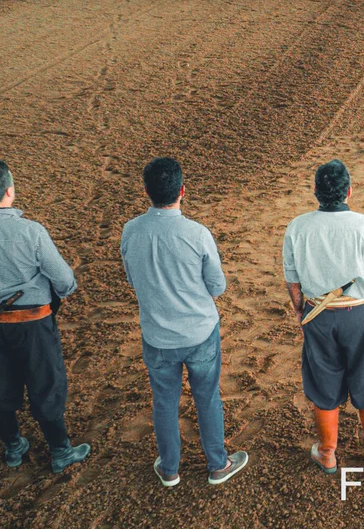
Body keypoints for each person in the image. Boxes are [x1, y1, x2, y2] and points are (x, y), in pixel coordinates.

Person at [0, 160, 91, 473]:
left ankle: (13, 447)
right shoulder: (30, 232)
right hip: (34, 324)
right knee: (46, 385)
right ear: (9, 191)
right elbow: (65, 281)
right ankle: (60, 451)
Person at [121, 158, 249, 486]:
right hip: (200, 333)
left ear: (146, 191)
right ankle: (217, 465)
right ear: (182, 191)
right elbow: (217, 286)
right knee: (206, 396)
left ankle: (169, 468)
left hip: (157, 335)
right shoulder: (196, 233)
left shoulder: (131, 231)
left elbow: (133, 280)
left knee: (164, 400)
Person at [283, 160, 364, 475]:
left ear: (315, 192)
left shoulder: (297, 226)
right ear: (348, 191)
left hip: (318, 315)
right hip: (362, 315)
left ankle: (326, 453)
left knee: (323, 385)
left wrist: (300, 309)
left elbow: (292, 278)